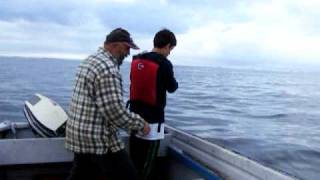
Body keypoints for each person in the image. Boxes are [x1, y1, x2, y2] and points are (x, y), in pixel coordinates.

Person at [65, 28, 150, 180]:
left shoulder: (90, 60)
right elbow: (115, 111)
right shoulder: (108, 69)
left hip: (78, 133)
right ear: (115, 45)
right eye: (126, 48)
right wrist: (140, 124)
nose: (128, 53)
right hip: (97, 139)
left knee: (81, 174)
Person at [128, 29, 178, 179]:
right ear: (167, 45)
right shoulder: (164, 64)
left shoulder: (137, 59)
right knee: (148, 163)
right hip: (153, 122)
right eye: (171, 49)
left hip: (133, 118)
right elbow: (172, 87)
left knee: (134, 159)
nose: (170, 53)